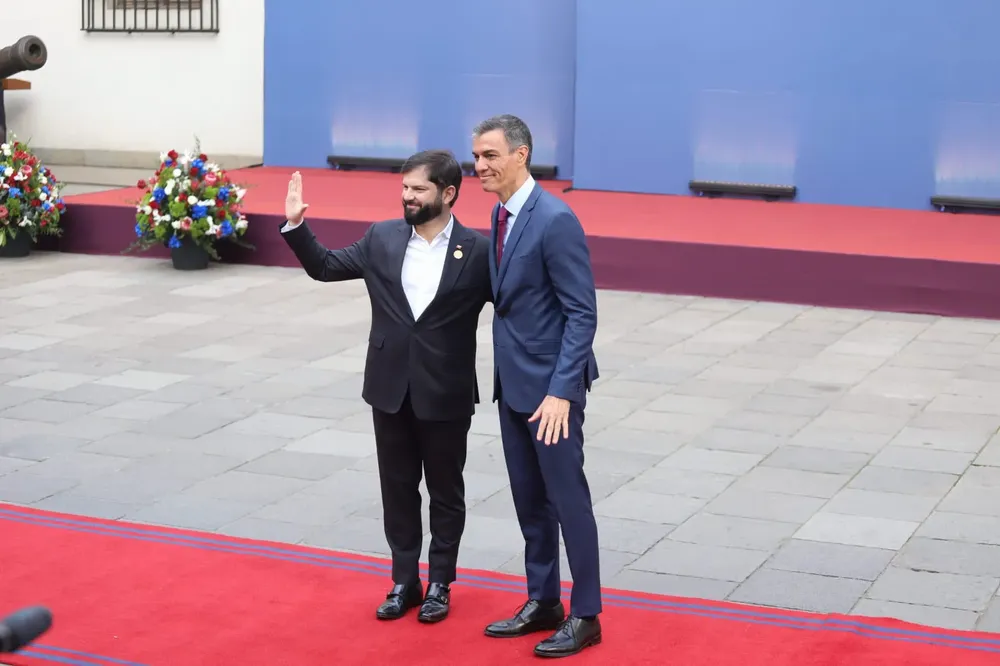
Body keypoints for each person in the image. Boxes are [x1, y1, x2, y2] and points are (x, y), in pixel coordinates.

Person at [280, 150, 492, 624]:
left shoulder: (478, 251)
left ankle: (440, 583)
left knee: (445, 490)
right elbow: (326, 266)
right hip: (390, 386)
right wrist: (296, 227)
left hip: (446, 391)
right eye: (404, 189)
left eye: (418, 190)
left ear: (448, 193)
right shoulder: (382, 238)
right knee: (397, 488)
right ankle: (404, 581)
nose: (408, 197)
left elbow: (514, 306)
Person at [471, 115, 602, 658]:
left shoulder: (554, 220)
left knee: (568, 501)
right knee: (530, 502)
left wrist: (561, 392)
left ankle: (587, 614)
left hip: (551, 395)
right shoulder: (500, 214)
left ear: (520, 155)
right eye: (476, 156)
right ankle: (543, 600)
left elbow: (582, 314)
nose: (480, 166)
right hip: (513, 386)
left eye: (490, 156)